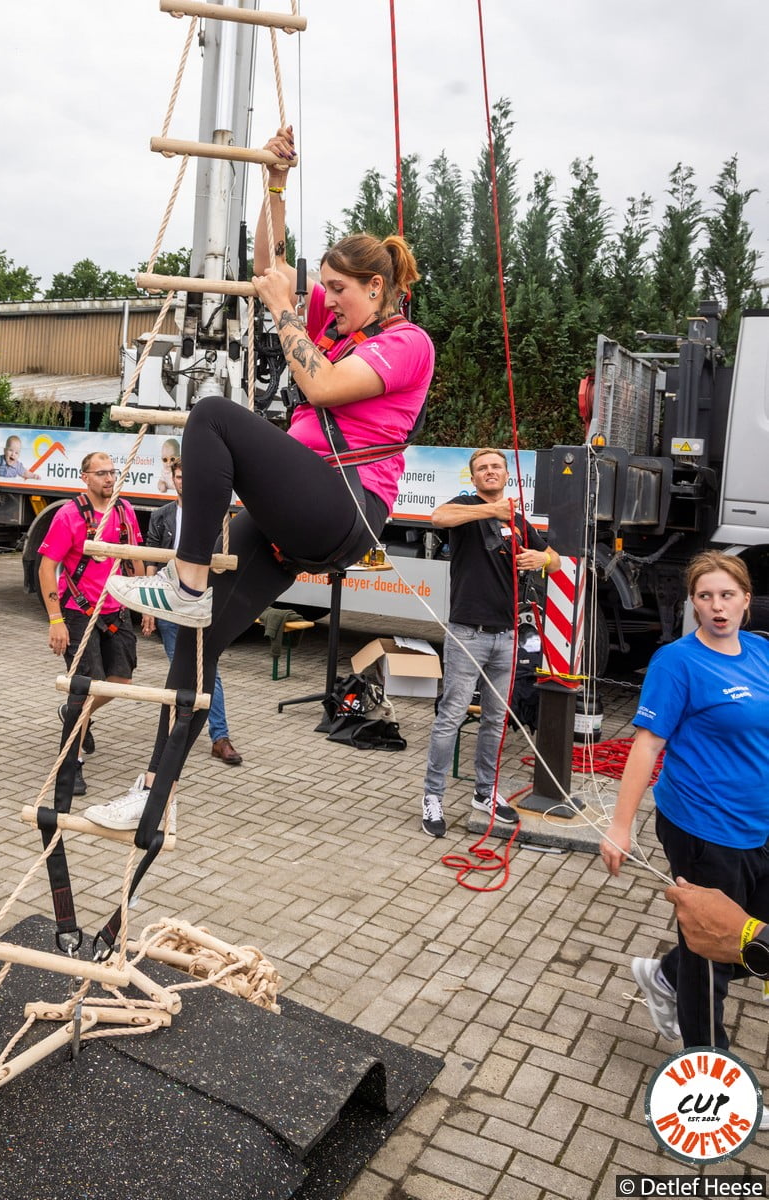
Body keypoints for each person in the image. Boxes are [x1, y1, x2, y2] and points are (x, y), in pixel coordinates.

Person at [84, 122, 435, 831]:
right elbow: (269, 266)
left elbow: (323, 385)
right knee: (199, 647)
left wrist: (281, 311)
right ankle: (154, 795)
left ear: (377, 287)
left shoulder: (407, 342)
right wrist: (276, 185)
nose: (325, 298)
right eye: (323, 288)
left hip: (344, 505)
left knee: (213, 415)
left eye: (338, 289)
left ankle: (184, 583)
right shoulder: (333, 327)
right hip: (294, 518)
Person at [600, 551, 769, 1050]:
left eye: (727, 595)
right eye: (705, 596)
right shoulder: (677, 662)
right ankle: (709, 1072)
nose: (717, 606)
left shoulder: (761, 651)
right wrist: (620, 826)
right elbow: (647, 746)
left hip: (759, 823)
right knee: (710, 958)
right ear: (693, 602)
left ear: (746, 600)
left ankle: (668, 975)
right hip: (703, 827)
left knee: (752, 936)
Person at [420, 449, 560, 838]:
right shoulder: (466, 507)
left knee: (496, 719)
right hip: (468, 633)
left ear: (506, 474)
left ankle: (485, 793)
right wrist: (492, 511)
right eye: (482, 468)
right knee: (451, 717)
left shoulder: (518, 521)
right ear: (474, 478)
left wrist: (541, 559)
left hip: (508, 634)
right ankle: (432, 797)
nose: (490, 471)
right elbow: (438, 518)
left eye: (496, 466)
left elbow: (555, 559)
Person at [37, 452, 143, 796]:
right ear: (84, 477)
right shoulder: (69, 515)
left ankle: (75, 715)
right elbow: (46, 568)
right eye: (101, 473)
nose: (109, 478)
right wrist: (55, 620)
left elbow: (135, 558)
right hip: (78, 611)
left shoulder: (125, 512)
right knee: (84, 688)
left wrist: (145, 605)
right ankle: (72, 764)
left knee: (120, 680)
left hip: (115, 610)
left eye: (112, 472)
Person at [143, 459, 242, 765]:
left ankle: (220, 737)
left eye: (189, 476)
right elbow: (151, 559)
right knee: (180, 669)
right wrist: (148, 608)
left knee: (208, 668)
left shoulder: (214, 516)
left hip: (202, 602)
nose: (184, 481)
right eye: (179, 476)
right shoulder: (161, 516)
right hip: (169, 602)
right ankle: (176, 731)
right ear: (172, 479)